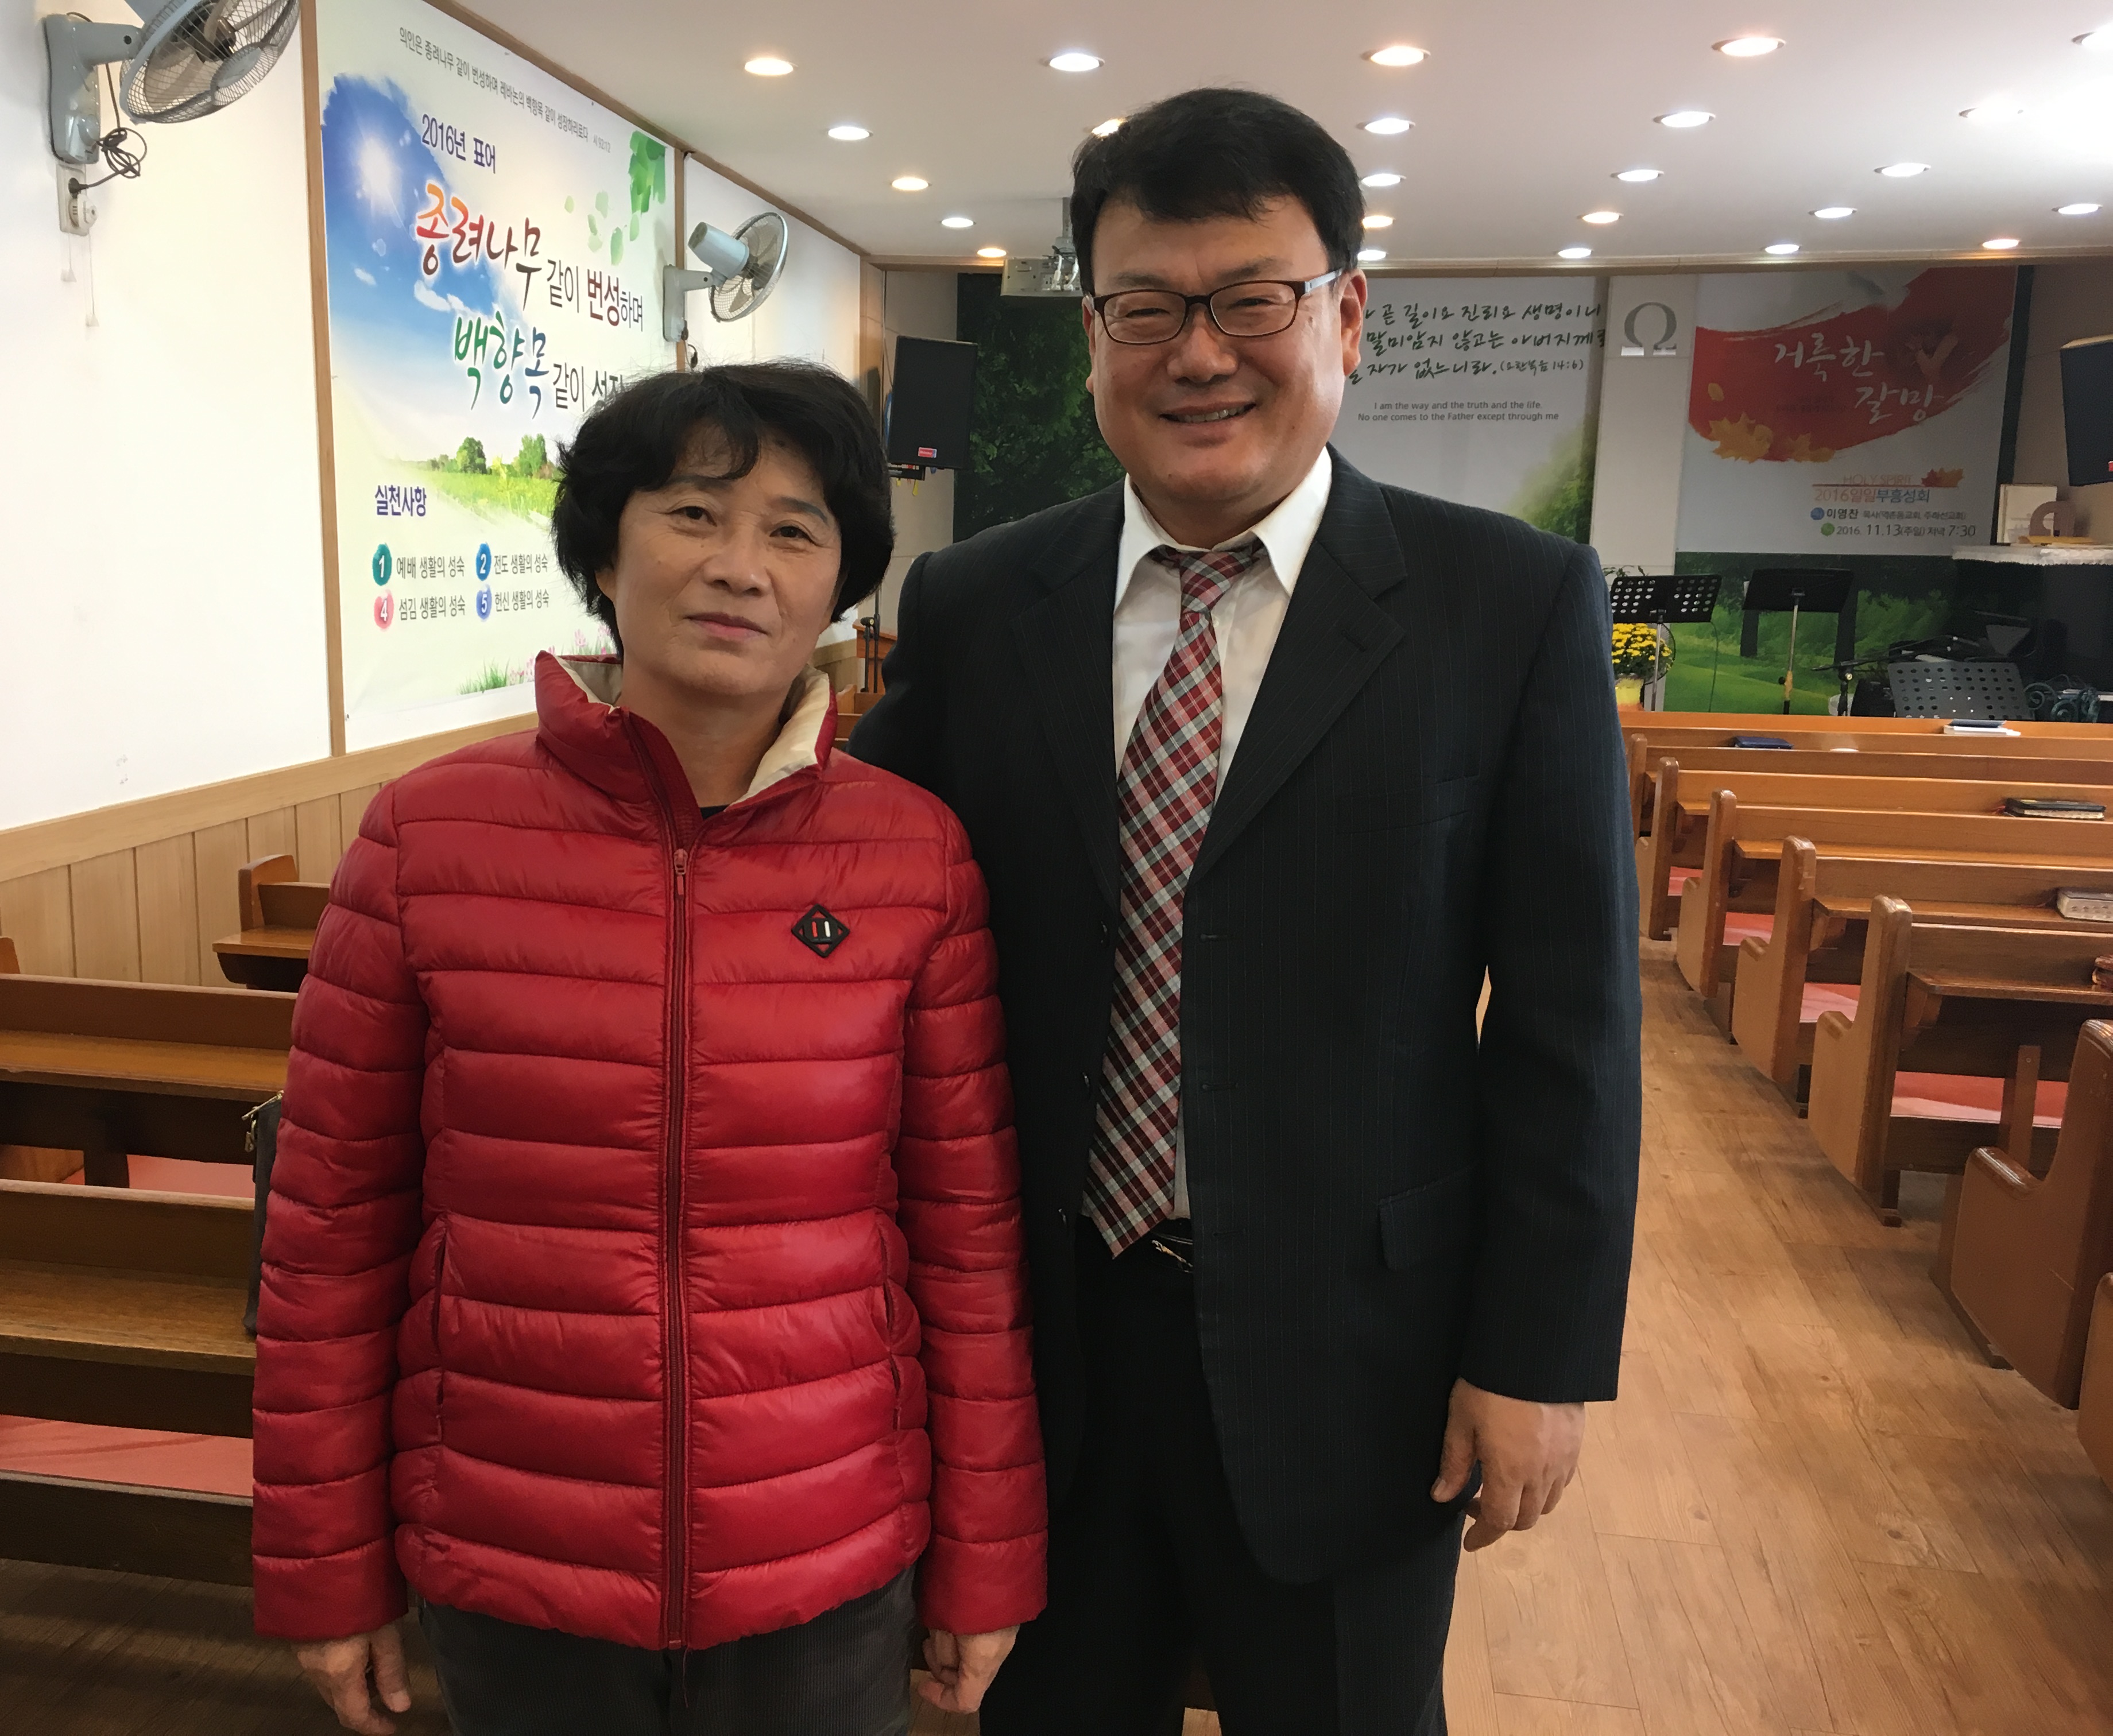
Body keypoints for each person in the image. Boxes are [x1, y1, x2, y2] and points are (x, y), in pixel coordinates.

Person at [848, 88, 1640, 1735]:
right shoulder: (983, 601)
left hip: (1358, 1359)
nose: (1197, 353)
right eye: (1146, 308)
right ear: (1094, 337)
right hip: (1039, 1354)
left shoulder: (1507, 603)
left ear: (1345, 315)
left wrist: (1535, 1354)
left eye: (1251, 300)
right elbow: (854, 887)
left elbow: (1571, 1024)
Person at [251, 361, 1047, 1736]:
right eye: (693, 514)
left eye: (793, 530)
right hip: (516, 1546)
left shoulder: (912, 856)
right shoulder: (426, 839)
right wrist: (325, 1570)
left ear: (840, 585)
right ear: (604, 557)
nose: (740, 565)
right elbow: (329, 1235)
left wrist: (986, 1561)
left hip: (826, 1555)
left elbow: (969, 1247)